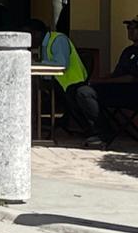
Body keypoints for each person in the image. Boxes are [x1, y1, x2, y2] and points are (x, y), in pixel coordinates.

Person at [28, 17, 98, 138]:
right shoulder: (43, 44)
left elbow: (61, 64)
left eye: (29, 35)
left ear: (37, 33)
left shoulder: (58, 40)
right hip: (57, 83)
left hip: (72, 83)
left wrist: (37, 64)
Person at [84, 16, 138, 150]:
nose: (129, 30)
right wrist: (99, 79)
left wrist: (103, 82)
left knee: (86, 93)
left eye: (133, 27)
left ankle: (104, 131)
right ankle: (96, 129)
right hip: (116, 89)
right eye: (128, 27)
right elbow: (116, 74)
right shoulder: (128, 51)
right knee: (77, 89)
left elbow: (131, 78)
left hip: (131, 92)